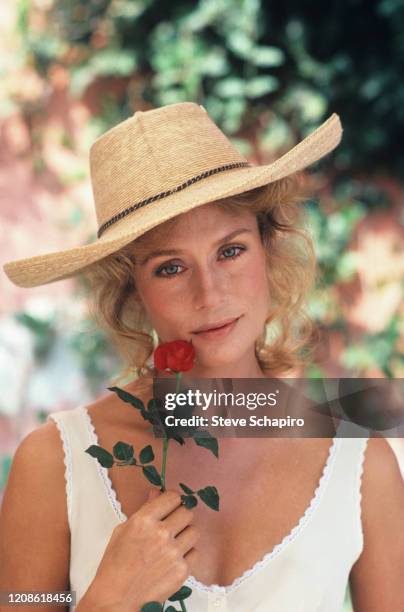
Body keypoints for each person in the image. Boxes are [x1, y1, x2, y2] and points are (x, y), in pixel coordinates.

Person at [0, 102, 403, 612]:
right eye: (171, 267)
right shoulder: (53, 463)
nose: (209, 293)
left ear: (268, 250)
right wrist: (110, 598)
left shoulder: (361, 465)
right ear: (132, 292)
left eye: (230, 251)